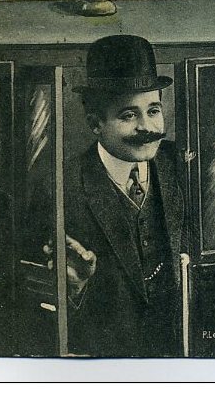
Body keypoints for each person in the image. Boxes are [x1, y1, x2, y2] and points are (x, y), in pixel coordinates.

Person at [47, 35, 186, 357]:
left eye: (153, 110)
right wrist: (75, 288)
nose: (147, 127)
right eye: (128, 115)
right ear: (96, 124)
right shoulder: (62, 184)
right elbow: (39, 302)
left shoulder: (181, 164)